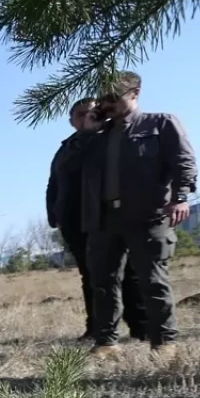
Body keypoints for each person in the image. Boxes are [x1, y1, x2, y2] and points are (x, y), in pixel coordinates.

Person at [72, 71, 197, 359]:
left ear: (135, 94)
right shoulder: (97, 135)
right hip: (104, 220)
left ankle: (164, 343)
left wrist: (181, 198)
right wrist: (88, 129)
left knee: (152, 280)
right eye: (104, 99)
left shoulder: (161, 124)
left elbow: (184, 161)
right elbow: (72, 165)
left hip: (147, 215)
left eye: (115, 97)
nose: (109, 103)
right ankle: (106, 343)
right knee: (102, 283)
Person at [46, 97, 146, 343]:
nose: (86, 118)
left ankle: (141, 328)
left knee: (128, 273)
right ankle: (96, 328)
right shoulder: (67, 147)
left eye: (92, 112)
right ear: (71, 121)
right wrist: (53, 213)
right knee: (90, 276)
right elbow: (55, 181)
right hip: (75, 219)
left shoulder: (113, 138)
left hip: (109, 216)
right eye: (79, 115)